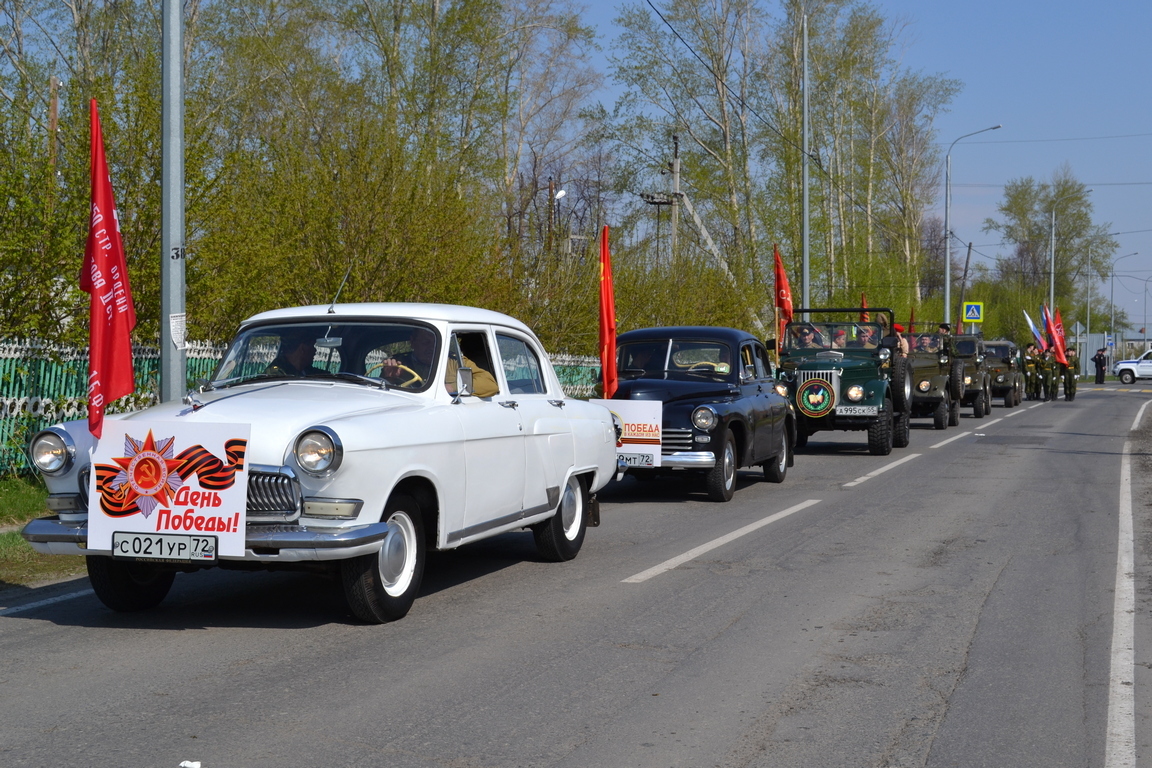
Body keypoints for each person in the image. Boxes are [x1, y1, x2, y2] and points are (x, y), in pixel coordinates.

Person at [381, 328, 499, 397]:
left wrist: (452, 388)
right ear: (413, 342)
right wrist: (390, 378)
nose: (432, 348)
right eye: (426, 342)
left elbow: (489, 384)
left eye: (436, 342)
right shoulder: (399, 364)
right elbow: (377, 393)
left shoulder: (454, 361)